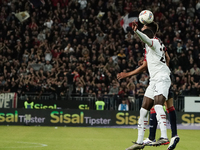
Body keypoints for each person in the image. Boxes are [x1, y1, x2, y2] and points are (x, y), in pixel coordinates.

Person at [117, 21, 171, 150]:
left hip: (161, 79)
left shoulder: (154, 41)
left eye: (143, 28)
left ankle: (164, 137)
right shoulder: (151, 46)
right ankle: (140, 141)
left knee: (158, 105)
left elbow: (146, 38)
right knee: (143, 110)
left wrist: (136, 31)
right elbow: (166, 59)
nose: (142, 28)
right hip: (154, 80)